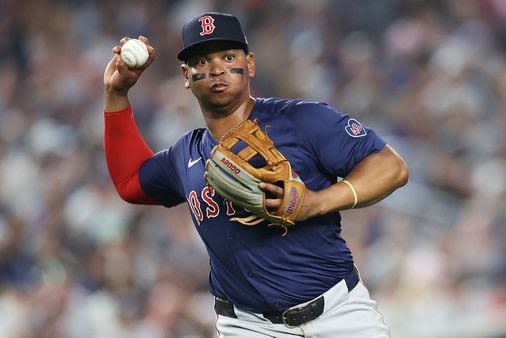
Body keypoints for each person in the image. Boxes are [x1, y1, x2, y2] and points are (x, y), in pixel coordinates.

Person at [103, 12, 408, 338]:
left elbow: (391, 166)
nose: (216, 69)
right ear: (186, 75)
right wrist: (116, 93)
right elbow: (130, 181)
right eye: (202, 61)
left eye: (228, 57)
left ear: (250, 64)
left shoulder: (302, 120)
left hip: (337, 311)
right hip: (247, 325)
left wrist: (317, 202)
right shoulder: (186, 154)